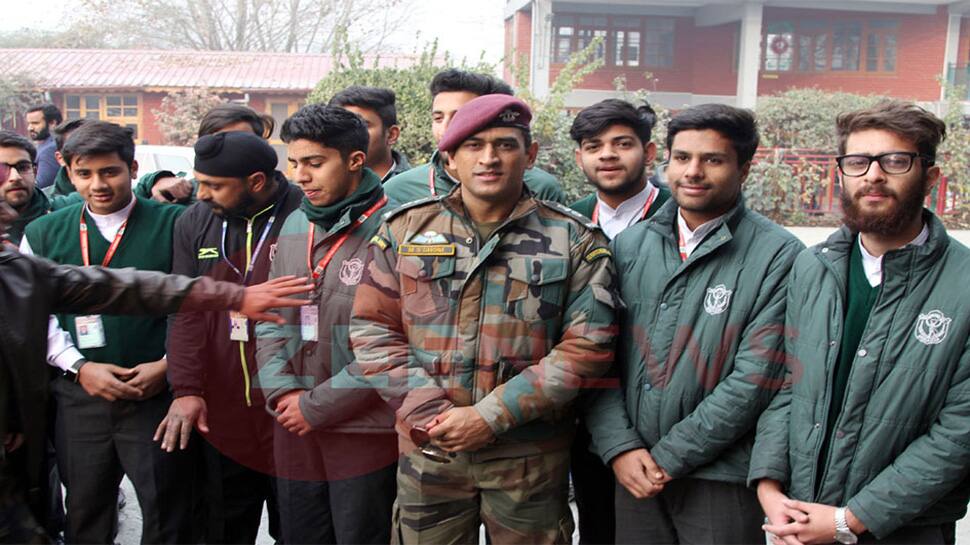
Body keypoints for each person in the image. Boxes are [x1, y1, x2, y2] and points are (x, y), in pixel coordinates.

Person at [350, 94, 619, 544]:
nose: (489, 158)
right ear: (450, 159)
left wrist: (488, 417)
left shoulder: (574, 239)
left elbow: (588, 348)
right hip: (430, 450)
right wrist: (433, 414)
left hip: (528, 459)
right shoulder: (405, 230)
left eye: (505, 145)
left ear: (529, 155)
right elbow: (372, 328)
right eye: (473, 146)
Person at [0, 198, 310, 544]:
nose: (7, 226)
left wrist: (231, 296)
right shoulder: (35, 243)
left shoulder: (14, 269)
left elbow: (119, 287)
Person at [585, 103, 804, 544]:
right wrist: (620, 447)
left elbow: (756, 379)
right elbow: (595, 355)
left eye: (713, 160)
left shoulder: (781, 256)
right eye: (682, 158)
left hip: (720, 476)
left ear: (744, 169)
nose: (693, 172)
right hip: (633, 472)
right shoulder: (629, 245)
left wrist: (667, 457)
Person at [755, 101, 970, 545]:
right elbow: (785, 386)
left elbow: (959, 431)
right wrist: (770, 487)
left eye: (895, 161)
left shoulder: (962, 283)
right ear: (842, 173)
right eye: (858, 161)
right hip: (800, 519)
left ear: (929, 176)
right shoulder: (812, 268)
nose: (873, 175)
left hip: (908, 527)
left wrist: (849, 520)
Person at [21, 121, 190, 544]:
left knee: (166, 509)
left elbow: (196, 307)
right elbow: (30, 313)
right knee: (86, 508)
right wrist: (78, 367)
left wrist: (168, 367)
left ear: (133, 168)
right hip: (82, 396)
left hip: (154, 395)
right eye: (85, 173)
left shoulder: (176, 224)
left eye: (110, 171)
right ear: (67, 170)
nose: (98, 184)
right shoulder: (43, 232)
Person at [255, 104, 397, 544]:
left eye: (315, 163)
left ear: (355, 160)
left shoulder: (398, 226)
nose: (301, 176)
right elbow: (270, 316)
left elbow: (401, 341)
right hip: (292, 422)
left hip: (364, 427)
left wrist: (317, 406)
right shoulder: (297, 221)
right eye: (294, 163)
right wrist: (285, 393)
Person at [152, 130, 301, 543]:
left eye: (214, 186)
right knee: (222, 526)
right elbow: (185, 310)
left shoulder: (303, 214)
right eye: (199, 182)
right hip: (223, 410)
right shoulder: (194, 222)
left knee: (298, 526)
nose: (201, 194)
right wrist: (186, 388)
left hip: (291, 409)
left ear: (256, 181)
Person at [565, 99, 674, 544]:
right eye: (594, 146)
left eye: (622, 143)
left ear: (649, 153)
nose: (607, 155)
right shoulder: (567, 220)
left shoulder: (679, 215)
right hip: (586, 404)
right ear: (580, 158)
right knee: (596, 524)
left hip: (661, 406)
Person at [382, 68, 566, 206]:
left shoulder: (541, 188)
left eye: (460, 117)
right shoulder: (399, 190)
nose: (446, 128)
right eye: (438, 118)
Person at [134, 103, 276, 204]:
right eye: (220, 141)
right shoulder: (181, 195)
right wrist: (155, 180)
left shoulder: (285, 200)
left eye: (241, 141)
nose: (230, 148)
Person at [329, 85, 411, 182]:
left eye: (362, 125)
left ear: (391, 135)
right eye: (340, 126)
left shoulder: (416, 189)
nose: (347, 134)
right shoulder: (318, 188)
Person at [0, 131, 48, 247]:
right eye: (2, 170)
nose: (15, 177)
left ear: (35, 171)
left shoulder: (61, 218)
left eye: (23, 167)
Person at [25, 104, 62, 190]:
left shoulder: (50, 149)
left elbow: (41, 185)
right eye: (29, 123)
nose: (30, 128)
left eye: (35, 123)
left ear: (52, 123)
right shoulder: (45, 145)